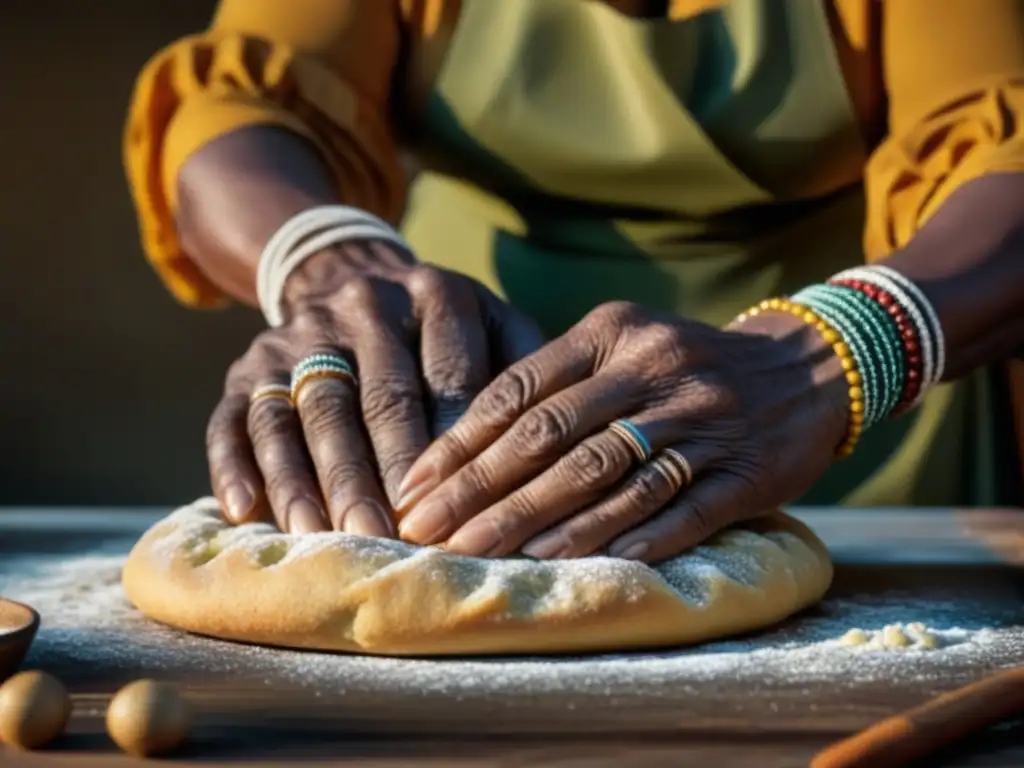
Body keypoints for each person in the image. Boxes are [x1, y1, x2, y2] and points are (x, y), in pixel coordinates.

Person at [123, 0, 1024, 563]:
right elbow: (246, 100)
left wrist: (823, 361)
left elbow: (1003, 135)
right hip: (451, 406)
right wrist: (333, 266)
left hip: (848, 423)